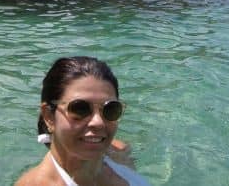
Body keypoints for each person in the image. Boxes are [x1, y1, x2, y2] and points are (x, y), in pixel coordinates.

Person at [16, 56, 150, 186]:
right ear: (49, 116)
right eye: (80, 108)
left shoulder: (118, 152)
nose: (98, 122)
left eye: (110, 109)